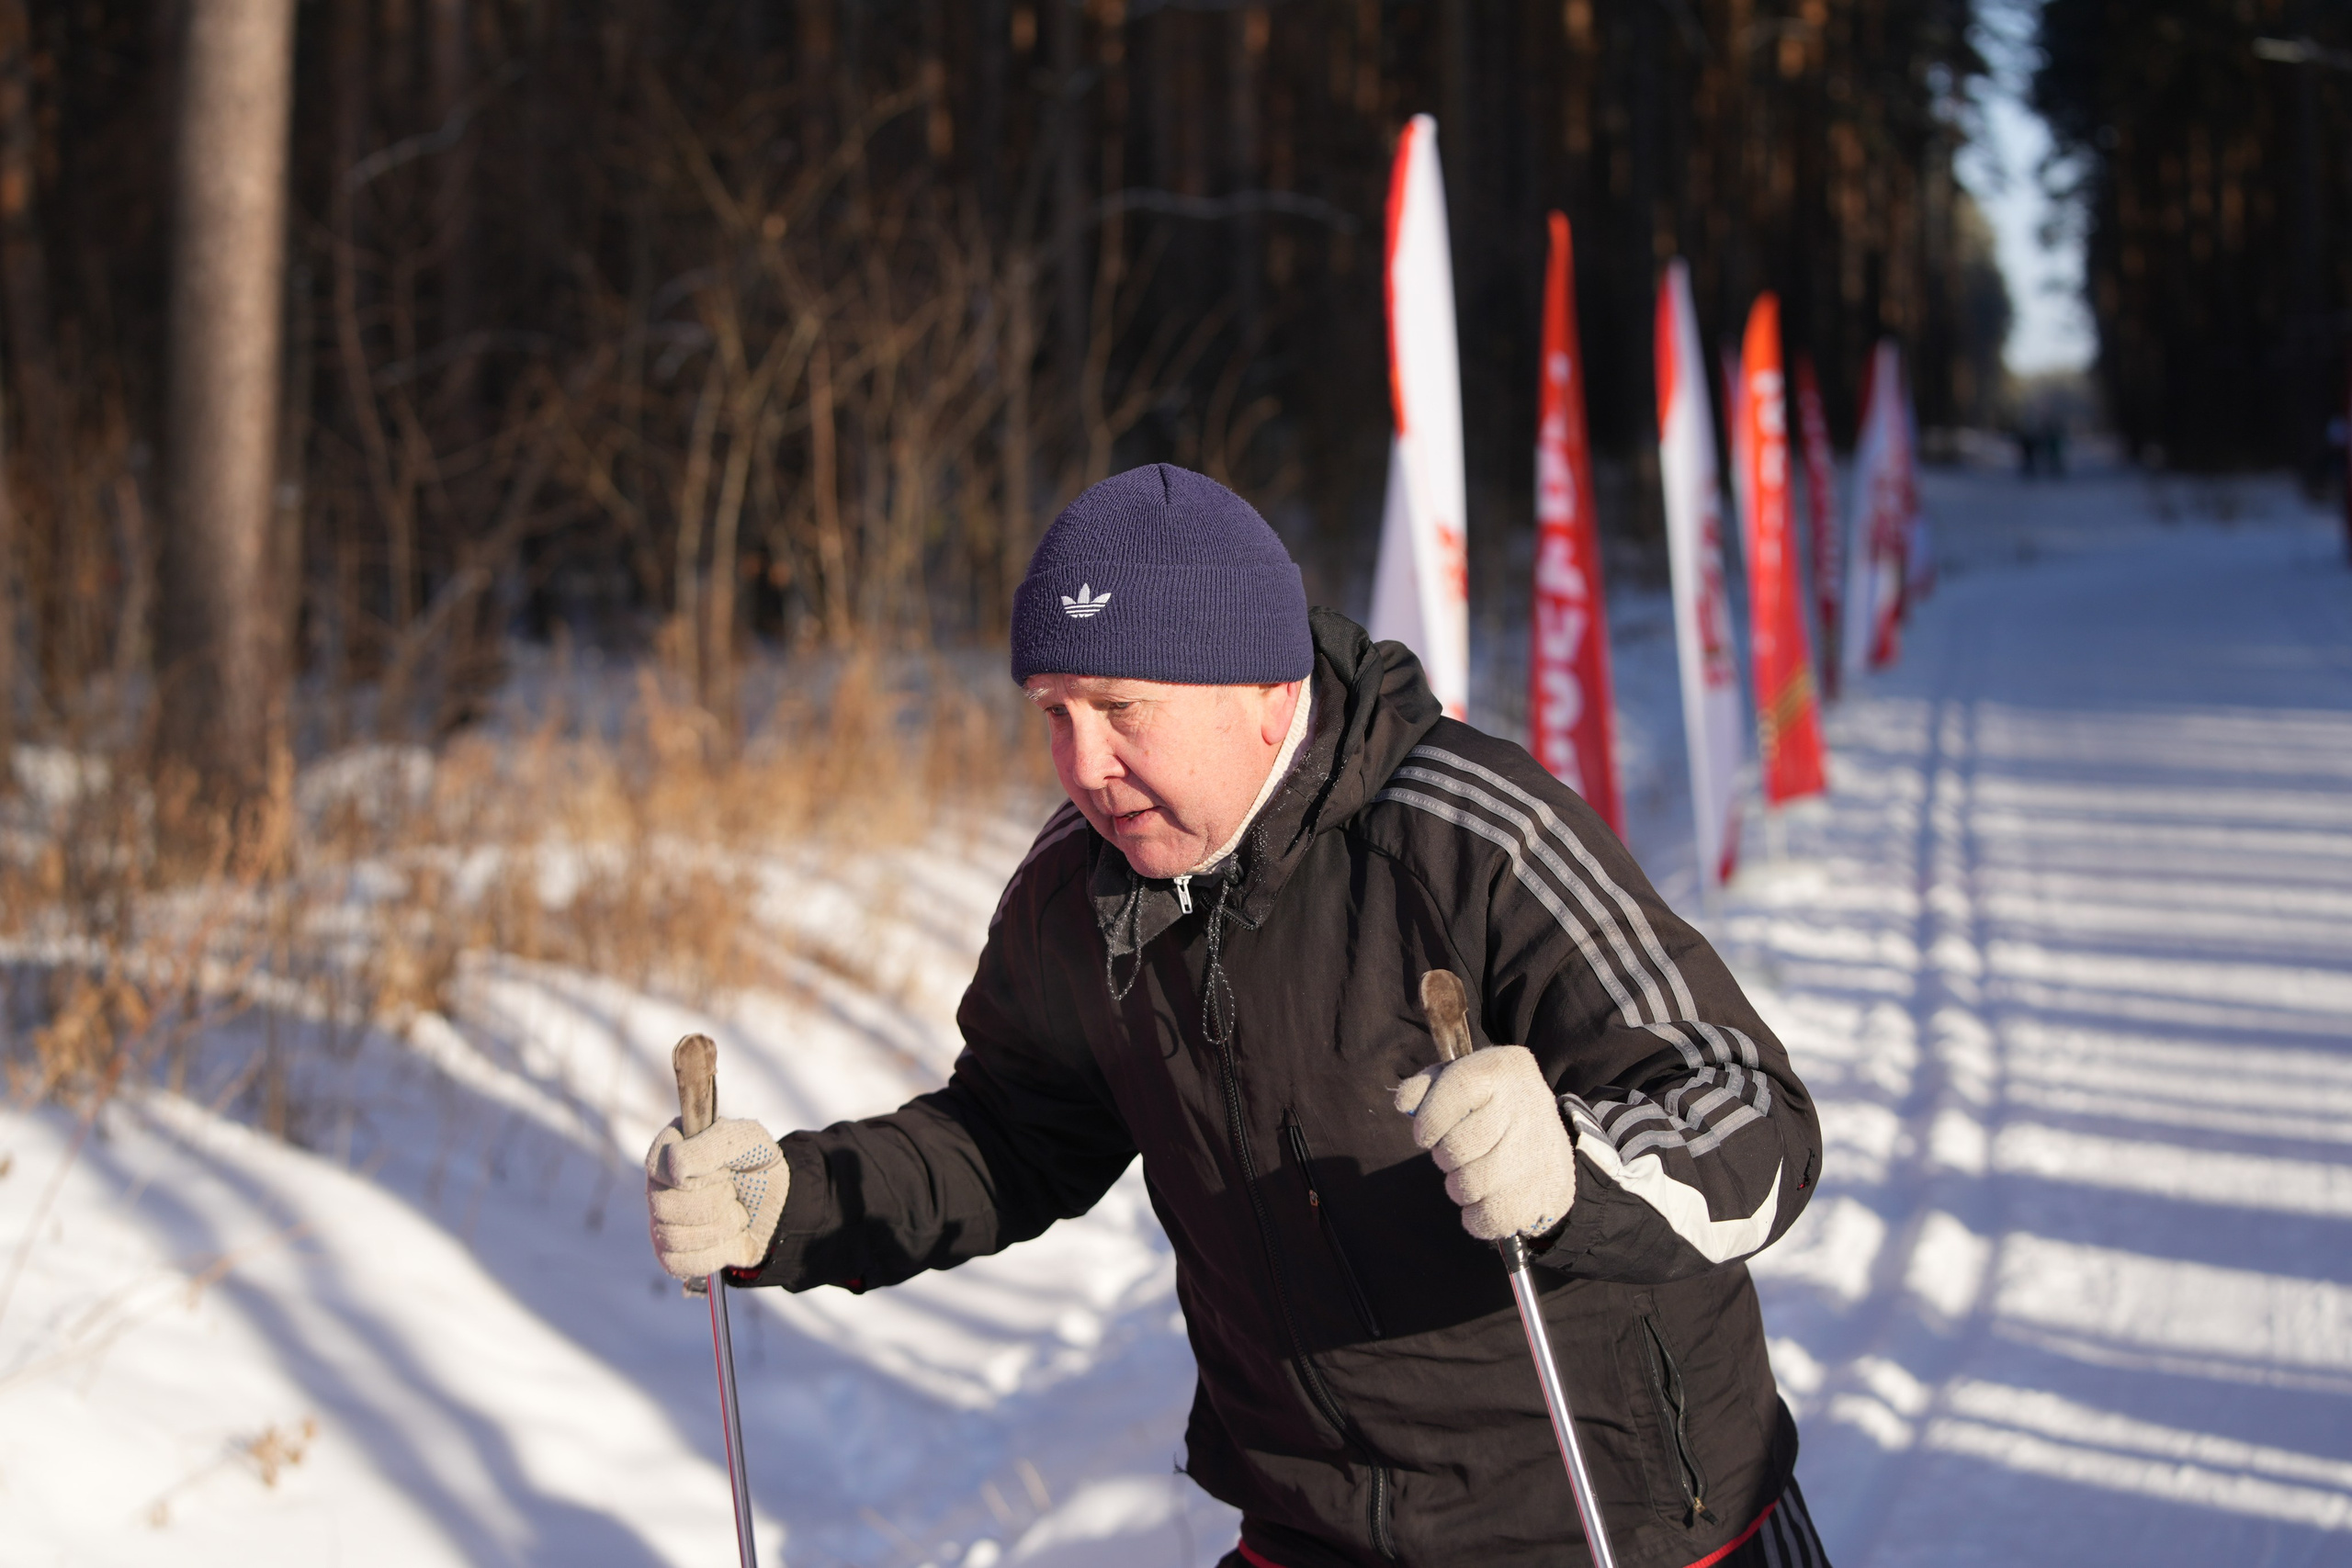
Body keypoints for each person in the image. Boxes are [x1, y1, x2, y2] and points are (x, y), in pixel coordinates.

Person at [646, 465, 1829, 1568]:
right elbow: (1006, 1138)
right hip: (1315, 1521)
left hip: (1617, 1517)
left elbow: (1747, 1109)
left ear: (1267, 696)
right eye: (1053, 712)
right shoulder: (1081, 892)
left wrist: (1574, 1169)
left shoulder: (1475, 836)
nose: (1085, 763)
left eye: (1121, 706)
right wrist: (786, 1203)